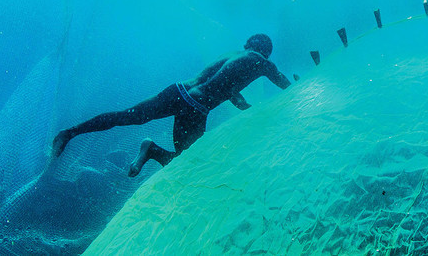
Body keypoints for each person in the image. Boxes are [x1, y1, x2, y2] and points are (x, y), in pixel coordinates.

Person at [51, 34, 295, 177]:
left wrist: (248, 108)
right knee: (186, 163)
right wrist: (299, 87)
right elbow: (283, 82)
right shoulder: (261, 62)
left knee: (127, 116)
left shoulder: (234, 55)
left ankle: (69, 133)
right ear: (266, 52)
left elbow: (230, 91)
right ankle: (152, 150)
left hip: (179, 91)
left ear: (248, 44)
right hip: (196, 108)